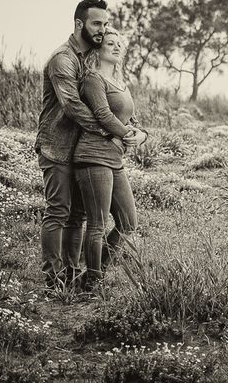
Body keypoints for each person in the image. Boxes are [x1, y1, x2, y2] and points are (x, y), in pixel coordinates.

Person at [35, 0, 145, 290]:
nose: (102, 29)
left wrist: (129, 130)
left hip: (82, 147)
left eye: (105, 24)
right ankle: (53, 278)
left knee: (79, 215)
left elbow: (110, 99)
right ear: (79, 24)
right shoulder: (63, 59)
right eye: (97, 23)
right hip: (57, 146)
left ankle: (73, 273)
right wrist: (109, 132)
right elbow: (72, 106)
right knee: (58, 210)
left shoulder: (90, 58)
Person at [73, 27, 147, 291]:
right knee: (97, 224)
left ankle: (92, 274)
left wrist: (141, 136)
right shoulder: (93, 79)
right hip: (93, 157)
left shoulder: (121, 82)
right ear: (98, 49)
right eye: (110, 43)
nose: (116, 47)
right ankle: (93, 281)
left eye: (119, 44)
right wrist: (128, 134)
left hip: (115, 158)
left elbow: (133, 121)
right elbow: (103, 115)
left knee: (128, 222)